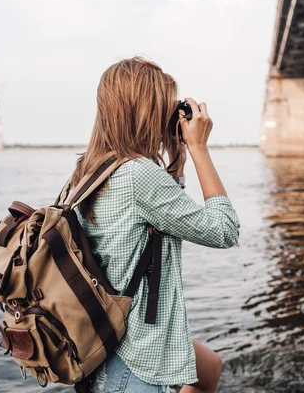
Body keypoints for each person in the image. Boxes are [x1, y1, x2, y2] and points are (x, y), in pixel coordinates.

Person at [71, 56, 240, 393]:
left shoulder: (90, 169)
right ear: (148, 111)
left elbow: (158, 216)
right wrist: (199, 149)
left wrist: (176, 158)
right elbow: (225, 230)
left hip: (104, 344)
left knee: (208, 368)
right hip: (134, 365)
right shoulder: (138, 174)